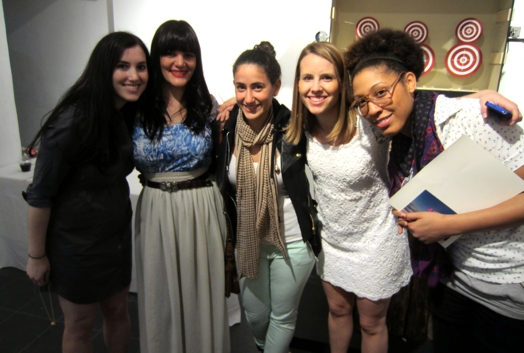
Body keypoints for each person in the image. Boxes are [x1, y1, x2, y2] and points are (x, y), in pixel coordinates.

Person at [345, 28, 524, 353]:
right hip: (452, 279)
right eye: (361, 102)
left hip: (507, 285)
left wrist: (450, 225)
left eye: (381, 92)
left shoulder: (469, 118)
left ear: (410, 82)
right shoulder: (399, 140)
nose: (371, 108)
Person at [25, 31, 150, 353]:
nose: (134, 76)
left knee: (119, 312)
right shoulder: (71, 121)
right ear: (104, 69)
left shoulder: (124, 111)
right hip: (75, 247)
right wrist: (36, 256)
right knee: (79, 326)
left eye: (141, 67)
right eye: (123, 66)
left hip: (115, 239)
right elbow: (40, 196)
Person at [286, 41, 412, 353]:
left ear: (343, 82)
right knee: (338, 312)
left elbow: (418, 115)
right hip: (333, 242)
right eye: (307, 78)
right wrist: (232, 100)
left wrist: (478, 97)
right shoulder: (300, 127)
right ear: (297, 84)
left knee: (371, 324)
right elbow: (257, 105)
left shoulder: (369, 122)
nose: (316, 87)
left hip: (377, 240)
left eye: (326, 77)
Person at [132, 20, 229, 353]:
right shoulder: (138, 107)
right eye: (170, 53)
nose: (180, 62)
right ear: (156, 57)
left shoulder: (208, 105)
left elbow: (223, 157)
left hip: (200, 207)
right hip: (155, 209)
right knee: (160, 297)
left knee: (202, 295)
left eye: (188, 54)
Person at [216, 42, 320, 353]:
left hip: (291, 242)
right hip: (248, 240)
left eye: (258, 87)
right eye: (241, 87)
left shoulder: (295, 128)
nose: (249, 97)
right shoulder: (228, 128)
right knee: (256, 315)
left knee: (283, 316)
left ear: (275, 86)